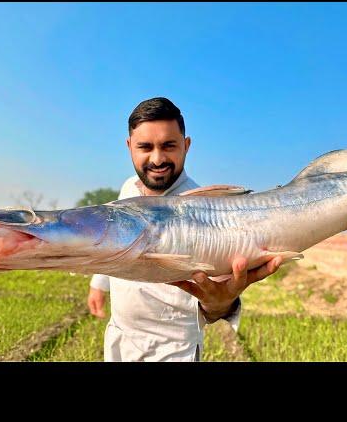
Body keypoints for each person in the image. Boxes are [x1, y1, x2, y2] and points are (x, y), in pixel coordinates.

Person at [87, 97, 283, 362]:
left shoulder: (207, 208)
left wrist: (222, 304)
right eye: (145, 147)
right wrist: (98, 284)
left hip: (173, 350)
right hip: (121, 340)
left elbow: (218, 297)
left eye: (169, 146)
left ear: (186, 146)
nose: (157, 159)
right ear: (129, 146)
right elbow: (113, 241)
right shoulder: (128, 189)